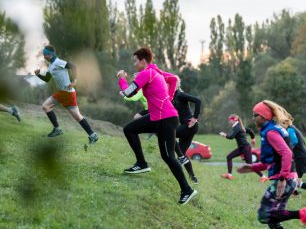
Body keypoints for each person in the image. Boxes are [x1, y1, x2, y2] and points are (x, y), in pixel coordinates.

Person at [117, 47, 197, 205]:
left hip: (166, 119)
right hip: (158, 118)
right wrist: (170, 97)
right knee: (129, 129)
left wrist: (121, 79)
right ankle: (141, 163)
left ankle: (187, 190)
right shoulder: (157, 72)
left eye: (135, 61)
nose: (134, 64)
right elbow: (174, 78)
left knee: (168, 156)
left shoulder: (147, 73)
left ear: (143, 61)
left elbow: (128, 92)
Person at [237, 100, 306, 229]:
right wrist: (253, 167)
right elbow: (273, 159)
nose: (254, 118)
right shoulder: (272, 130)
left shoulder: (270, 132)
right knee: (274, 219)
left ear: (266, 115)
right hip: (287, 178)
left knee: (264, 215)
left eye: (256, 115)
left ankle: (302, 214)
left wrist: (282, 178)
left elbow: (287, 154)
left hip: (284, 180)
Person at [34, 45, 99, 143]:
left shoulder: (58, 62)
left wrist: (75, 80)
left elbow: (74, 66)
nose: (44, 57)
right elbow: (47, 79)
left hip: (67, 93)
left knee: (74, 115)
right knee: (48, 107)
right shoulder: (51, 66)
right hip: (62, 93)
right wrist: (38, 75)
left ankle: (91, 135)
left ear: (50, 55)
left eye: (45, 55)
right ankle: (59, 129)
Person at [219, 114, 268, 182]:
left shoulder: (237, 127)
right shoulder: (239, 126)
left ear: (233, 120)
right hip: (242, 148)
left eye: (230, 120)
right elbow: (250, 131)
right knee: (229, 157)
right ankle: (229, 175)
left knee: (250, 165)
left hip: (245, 148)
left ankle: (263, 177)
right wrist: (253, 138)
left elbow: (231, 137)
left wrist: (224, 135)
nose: (229, 122)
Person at [172, 78, 201, 184]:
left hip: (190, 126)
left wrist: (195, 118)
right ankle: (193, 178)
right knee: (181, 154)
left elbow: (198, 100)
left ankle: (173, 161)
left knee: (168, 133)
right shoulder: (173, 96)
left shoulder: (180, 94)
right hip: (187, 127)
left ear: (176, 85)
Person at [282, 117, 306, 195]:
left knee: (295, 177)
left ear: (285, 123)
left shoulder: (290, 129)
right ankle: (294, 192)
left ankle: (293, 192)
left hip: (300, 157)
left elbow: (294, 141)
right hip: (302, 155)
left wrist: (288, 150)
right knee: (295, 177)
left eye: (281, 124)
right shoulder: (294, 128)